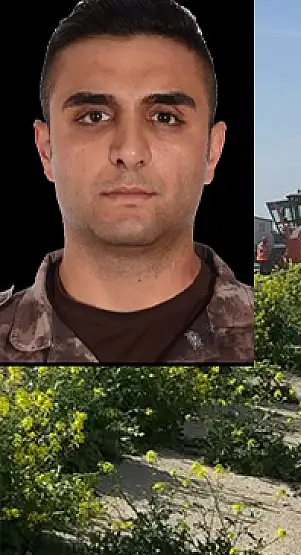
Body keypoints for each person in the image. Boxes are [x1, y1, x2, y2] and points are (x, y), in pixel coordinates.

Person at [0, 0, 251, 364]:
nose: (130, 151)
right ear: (45, 150)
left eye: (165, 117)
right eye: (93, 116)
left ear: (212, 152)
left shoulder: (271, 336)